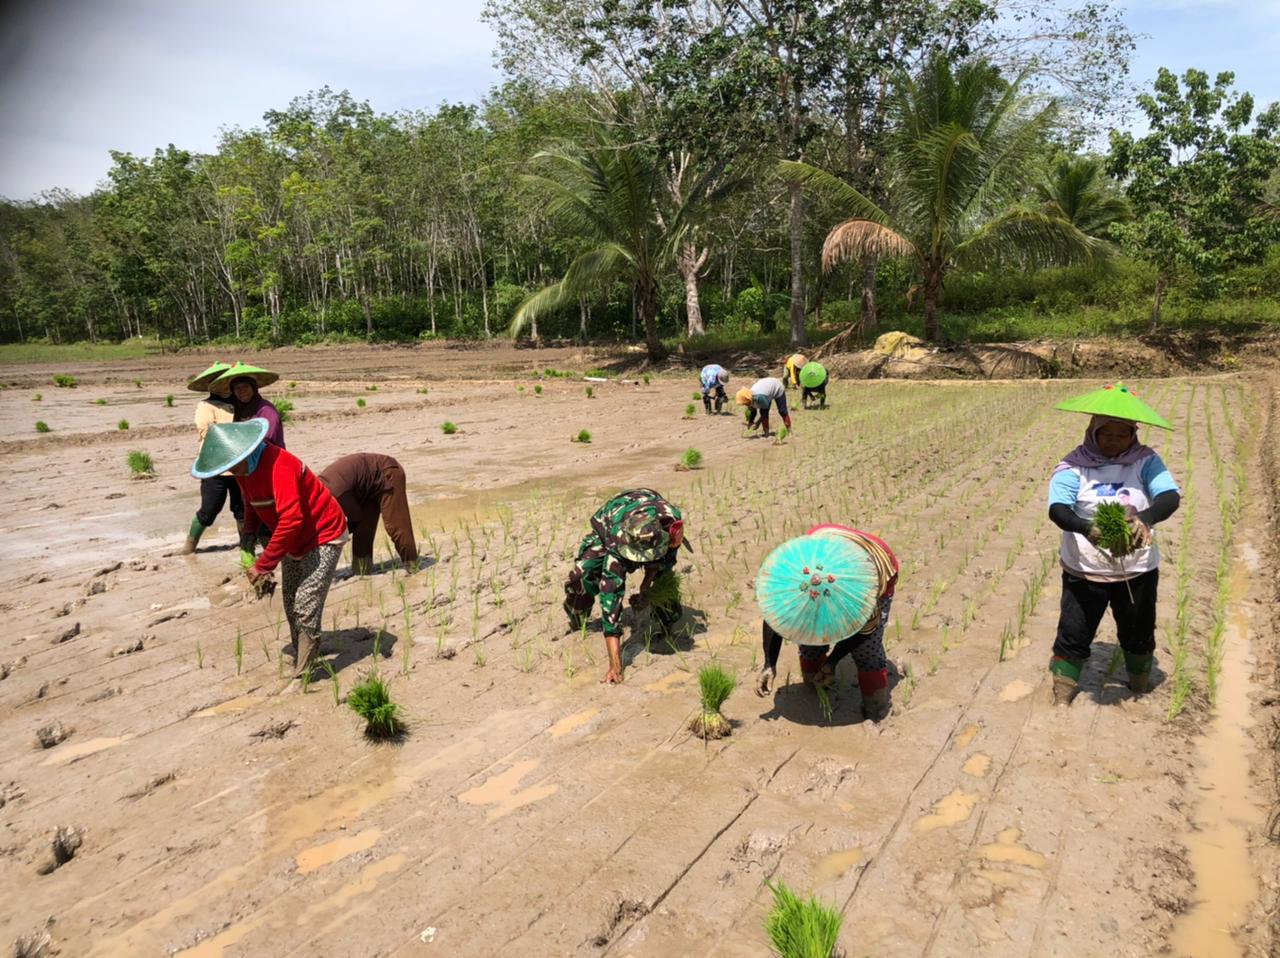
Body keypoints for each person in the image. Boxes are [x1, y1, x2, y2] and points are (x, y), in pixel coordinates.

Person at [1047, 383, 1180, 705]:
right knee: (1074, 633)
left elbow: (1169, 496)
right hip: (1085, 569)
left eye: (1122, 435)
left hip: (1137, 569)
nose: (1114, 441)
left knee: (1138, 631)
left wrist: (1145, 519)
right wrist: (1085, 527)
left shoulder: (1145, 461)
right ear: (1093, 431)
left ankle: (1139, 683)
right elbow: (1058, 510)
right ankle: (1062, 695)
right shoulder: (1073, 465)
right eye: (1107, 434)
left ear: (1132, 434)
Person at [193, 419, 347, 681]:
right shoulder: (243, 472)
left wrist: (264, 564)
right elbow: (252, 503)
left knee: (305, 601)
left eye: (232, 464)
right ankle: (304, 653)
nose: (231, 471)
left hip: (323, 533)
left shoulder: (280, 465)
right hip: (292, 538)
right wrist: (248, 537)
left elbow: (292, 519)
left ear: (245, 452)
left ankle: (305, 675)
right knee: (289, 599)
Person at [756, 525, 899, 721]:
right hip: (826, 542)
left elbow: (863, 632)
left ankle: (876, 708)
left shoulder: (863, 594)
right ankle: (813, 687)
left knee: (867, 652)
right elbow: (775, 616)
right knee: (808, 634)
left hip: (878, 559)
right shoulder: (789, 576)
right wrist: (769, 664)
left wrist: (833, 661)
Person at [563, 488, 692, 684]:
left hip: (650, 509)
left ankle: (668, 625)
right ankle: (577, 617)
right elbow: (611, 602)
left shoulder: (670, 528)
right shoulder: (616, 543)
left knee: (664, 585)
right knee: (581, 576)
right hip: (611, 520)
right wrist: (615, 665)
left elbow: (661, 562)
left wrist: (646, 589)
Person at [317, 453, 419, 576]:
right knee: (363, 530)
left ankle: (413, 565)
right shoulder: (319, 491)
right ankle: (361, 570)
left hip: (388, 473)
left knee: (395, 525)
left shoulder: (336, 494)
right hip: (366, 486)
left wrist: (343, 531)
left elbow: (356, 516)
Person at [182, 361, 245, 554]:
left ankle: (246, 546)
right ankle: (189, 547)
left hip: (238, 465)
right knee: (209, 510)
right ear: (213, 385)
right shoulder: (205, 406)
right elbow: (208, 431)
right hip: (214, 466)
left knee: (242, 509)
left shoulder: (240, 405)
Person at [210, 362, 286, 448]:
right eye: (237, 388)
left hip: (271, 457)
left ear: (253, 388)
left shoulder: (266, 410)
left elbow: (266, 439)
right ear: (233, 392)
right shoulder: (238, 411)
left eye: (246, 386)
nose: (242, 391)